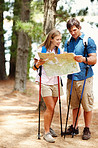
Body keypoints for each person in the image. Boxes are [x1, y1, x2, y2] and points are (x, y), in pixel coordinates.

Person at [64, 18, 97, 140]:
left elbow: (94, 60)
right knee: (74, 105)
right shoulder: (68, 42)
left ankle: (87, 128)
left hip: (85, 78)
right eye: (70, 31)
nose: (72, 33)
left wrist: (83, 59)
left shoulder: (88, 41)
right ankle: (74, 127)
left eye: (74, 30)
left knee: (87, 105)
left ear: (79, 28)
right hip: (71, 77)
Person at [33, 29, 63, 143]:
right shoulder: (42, 50)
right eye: (57, 39)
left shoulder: (58, 50)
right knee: (50, 107)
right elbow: (34, 67)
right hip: (45, 81)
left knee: (53, 107)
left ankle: (49, 127)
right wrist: (38, 64)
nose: (59, 41)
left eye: (60, 39)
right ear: (51, 39)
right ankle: (46, 133)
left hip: (56, 81)